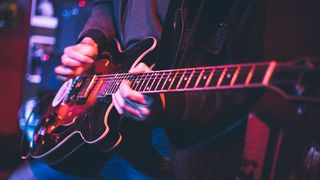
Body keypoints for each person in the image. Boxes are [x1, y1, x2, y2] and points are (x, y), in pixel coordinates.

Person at [10, 0, 265, 179]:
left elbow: (239, 94)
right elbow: (106, 4)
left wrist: (165, 105)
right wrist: (92, 39)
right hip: (95, 125)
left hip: (164, 158)